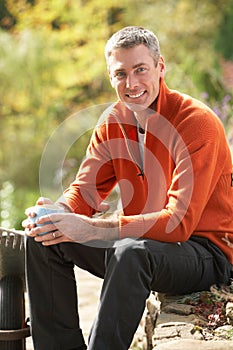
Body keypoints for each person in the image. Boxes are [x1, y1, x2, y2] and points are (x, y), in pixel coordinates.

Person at [23, 26, 233, 350]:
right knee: (45, 238)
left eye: (140, 70)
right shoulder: (113, 122)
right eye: (121, 74)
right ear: (110, 76)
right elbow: (86, 191)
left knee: (130, 252)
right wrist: (60, 213)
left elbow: (179, 224)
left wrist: (92, 227)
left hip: (205, 252)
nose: (131, 84)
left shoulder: (197, 123)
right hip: (143, 244)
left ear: (160, 67)